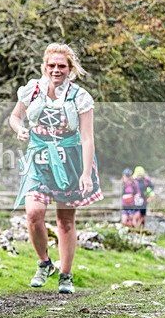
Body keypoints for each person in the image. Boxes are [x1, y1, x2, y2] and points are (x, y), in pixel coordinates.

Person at [10, 43, 102, 295]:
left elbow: (87, 138)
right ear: (45, 66)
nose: (56, 70)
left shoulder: (80, 97)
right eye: (51, 65)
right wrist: (20, 129)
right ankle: (44, 262)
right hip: (39, 159)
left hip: (69, 161)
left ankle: (66, 275)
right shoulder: (32, 90)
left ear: (70, 69)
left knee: (65, 220)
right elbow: (15, 117)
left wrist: (85, 173)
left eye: (62, 66)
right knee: (33, 214)